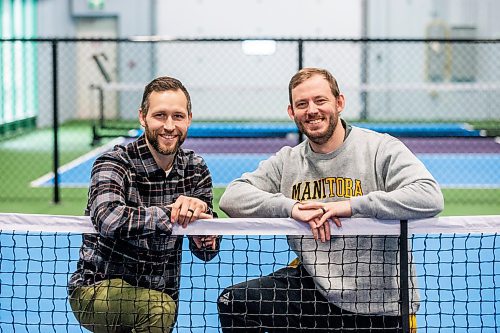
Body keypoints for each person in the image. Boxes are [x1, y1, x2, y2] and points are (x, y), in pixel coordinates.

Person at [217, 67, 444, 332]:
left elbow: (429, 195)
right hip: (315, 292)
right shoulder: (288, 160)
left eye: (320, 100)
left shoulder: (380, 148)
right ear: (292, 112)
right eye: (302, 104)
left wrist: (351, 206)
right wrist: (291, 207)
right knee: (235, 302)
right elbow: (232, 197)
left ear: (339, 103)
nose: (311, 110)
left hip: (380, 306)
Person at [68, 76, 220, 333]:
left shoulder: (196, 168)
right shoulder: (113, 163)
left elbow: (205, 253)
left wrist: (206, 234)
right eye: (160, 115)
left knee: (160, 309)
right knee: (158, 310)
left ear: (189, 119)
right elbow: (108, 218)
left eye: (178, 116)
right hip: (97, 289)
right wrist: (172, 213)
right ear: (142, 117)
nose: (169, 126)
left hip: (161, 292)